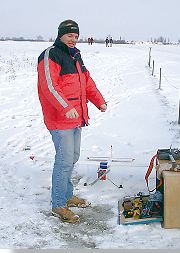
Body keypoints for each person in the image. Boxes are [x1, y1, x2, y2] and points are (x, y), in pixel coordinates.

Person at [37, 20, 107, 223]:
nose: (73, 39)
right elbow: (49, 86)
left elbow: (87, 82)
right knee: (64, 160)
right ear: (60, 35)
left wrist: (99, 101)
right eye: (69, 35)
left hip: (76, 117)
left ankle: (67, 196)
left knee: (72, 157)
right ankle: (58, 204)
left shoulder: (75, 56)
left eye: (76, 36)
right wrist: (66, 108)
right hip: (60, 118)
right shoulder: (51, 54)